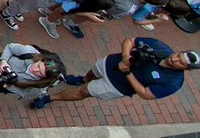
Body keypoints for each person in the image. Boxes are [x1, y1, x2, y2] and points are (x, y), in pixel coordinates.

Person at [50, 37, 199, 104]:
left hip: (116, 86)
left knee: (83, 92)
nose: (175, 59)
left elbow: (145, 94)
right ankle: (83, 79)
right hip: (110, 63)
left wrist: (127, 72)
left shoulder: (174, 83)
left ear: (187, 69)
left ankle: (50, 98)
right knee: (92, 73)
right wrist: (125, 56)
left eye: (181, 63)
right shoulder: (160, 46)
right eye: (179, 55)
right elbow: (130, 41)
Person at [0, 43, 65, 106]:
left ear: (44, 78)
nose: (35, 70)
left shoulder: (39, 87)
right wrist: (3, 61)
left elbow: (24, 94)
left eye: (40, 73)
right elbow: (10, 47)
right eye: (38, 66)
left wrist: (8, 86)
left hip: (9, 84)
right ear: (40, 60)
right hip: (1, 64)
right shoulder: (29, 52)